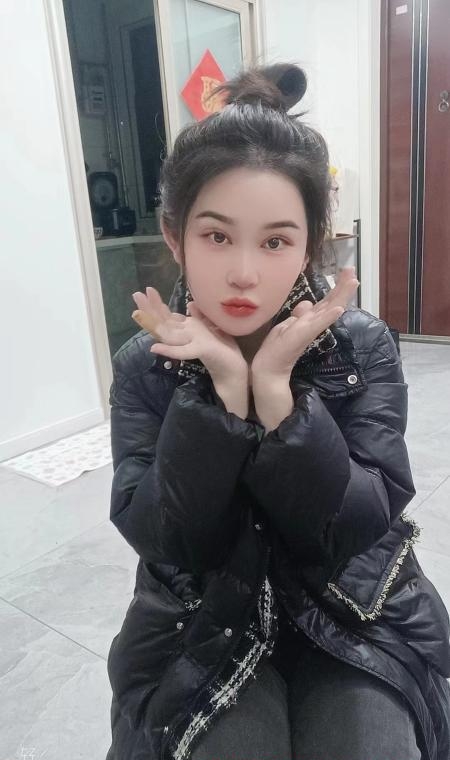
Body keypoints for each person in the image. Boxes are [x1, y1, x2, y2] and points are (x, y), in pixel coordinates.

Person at [105, 63, 450, 760]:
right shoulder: (145, 365)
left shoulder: (360, 345)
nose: (244, 273)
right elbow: (167, 540)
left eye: (275, 241)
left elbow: (356, 524)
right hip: (202, 619)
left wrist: (277, 393)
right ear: (174, 236)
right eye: (216, 236)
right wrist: (222, 391)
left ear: (309, 244)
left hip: (353, 605)